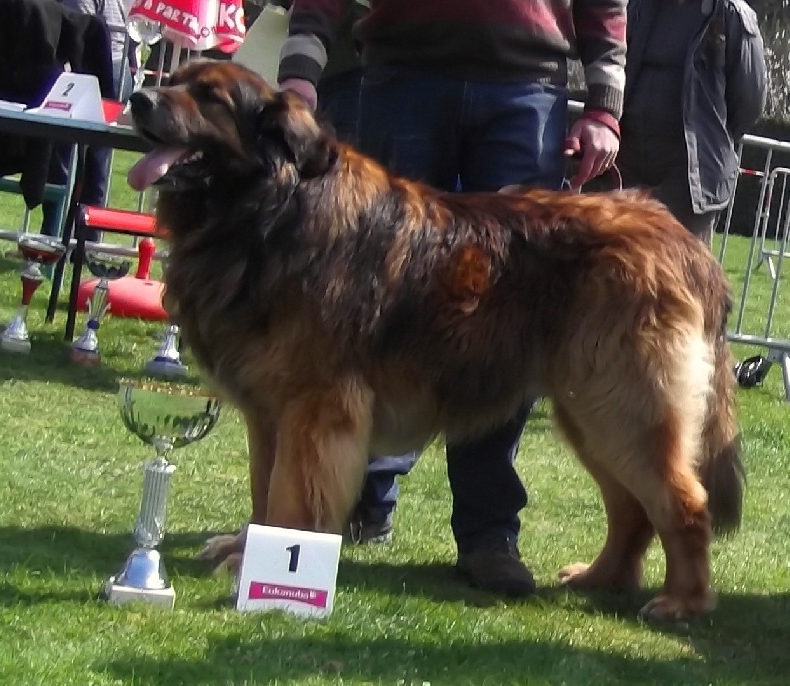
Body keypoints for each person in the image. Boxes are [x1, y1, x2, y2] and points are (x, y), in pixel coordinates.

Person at [278, 0, 626, 596]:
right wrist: (299, 70)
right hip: (402, 75)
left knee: (506, 317)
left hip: (524, 86)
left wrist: (604, 107)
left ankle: (489, 533)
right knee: (369, 305)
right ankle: (356, 502)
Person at [615, 0, 766, 244]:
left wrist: (709, 140)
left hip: (689, 176)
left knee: (680, 262)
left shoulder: (731, 14)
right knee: (618, 258)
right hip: (627, 164)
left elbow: (749, 102)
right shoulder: (639, 6)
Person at [41, 0, 135, 238]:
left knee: (63, 155)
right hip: (118, 67)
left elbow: (79, 29)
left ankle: (52, 237)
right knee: (96, 160)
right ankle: (87, 241)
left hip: (92, 68)